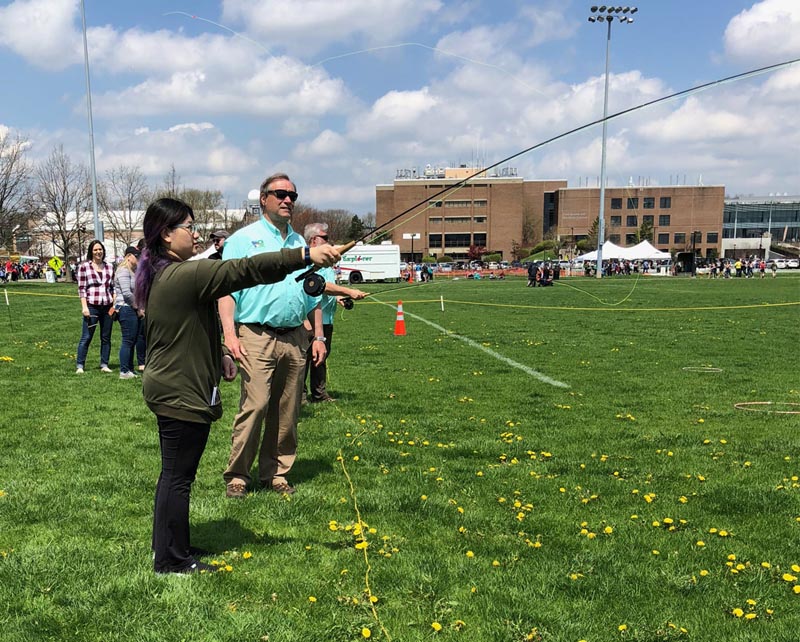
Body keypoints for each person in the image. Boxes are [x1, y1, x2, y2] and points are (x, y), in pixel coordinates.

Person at [134, 197, 340, 574]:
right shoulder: (183, 275)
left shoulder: (165, 274)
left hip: (171, 386)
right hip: (179, 391)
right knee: (178, 478)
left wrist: (220, 355)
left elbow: (188, 330)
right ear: (166, 234)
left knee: (175, 474)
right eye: (188, 228)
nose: (194, 235)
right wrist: (305, 257)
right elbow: (247, 270)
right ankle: (170, 559)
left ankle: (170, 545)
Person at [219, 173, 327, 499]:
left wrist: (318, 336)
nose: (287, 200)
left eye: (292, 195)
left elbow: (312, 292)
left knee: (287, 409)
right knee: (256, 405)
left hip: (295, 337)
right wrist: (229, 335)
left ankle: (277, 473)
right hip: (255, 333)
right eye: (280, 194)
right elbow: (226, 290)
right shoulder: (242, 239)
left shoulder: (299, 244)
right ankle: (238, 474)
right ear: (264, 198)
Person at [303, 222, 367, 403]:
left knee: (321, 356)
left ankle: (319, 394)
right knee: (305, 359)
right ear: (313, 240)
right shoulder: (309, 260)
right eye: (325, 238)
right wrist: (348, 292)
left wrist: (340, 299)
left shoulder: (327, 261)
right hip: (309, 318)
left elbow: (329, 286)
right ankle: (300, 396)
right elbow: (319, 285)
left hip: (326, 318)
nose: (329, 242)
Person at [75, 240, 115, 374]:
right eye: (95, 250)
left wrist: (113, 306)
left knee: (106, 337)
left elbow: (113, 288)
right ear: (91, 252)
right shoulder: (84, 267)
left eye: (100, 249)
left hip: (107, 306)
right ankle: (80, 365)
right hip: (92, 306)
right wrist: (84, 307)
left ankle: (104, 364)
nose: (98, 252)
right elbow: (81, 289)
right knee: (86, 337)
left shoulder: (109, 267)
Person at [114, 246, 145, 379]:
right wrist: (138, 308)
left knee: (132, 340)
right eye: (136, 256)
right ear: (128, 257)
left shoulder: (134, 271)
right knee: (127, 340)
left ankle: (130, 369)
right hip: (126, 308)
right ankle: (124, 370)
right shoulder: (123, 271)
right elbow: (127, 293)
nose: (139, 259)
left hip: (132, 308)